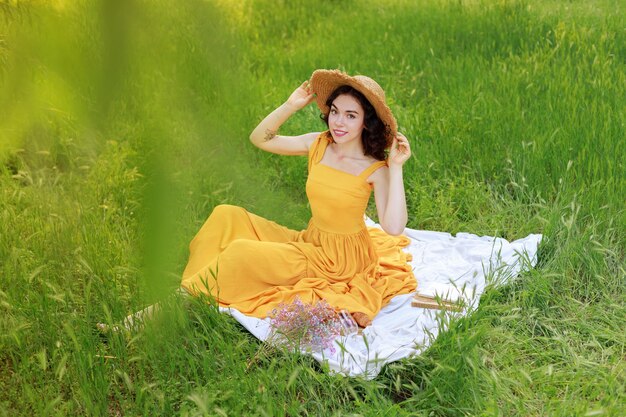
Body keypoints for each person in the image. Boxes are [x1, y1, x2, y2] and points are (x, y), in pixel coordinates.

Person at [180, 69, 416, 328]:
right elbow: (260, 138)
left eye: (351, 116)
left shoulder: (374, 169)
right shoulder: (318, 144)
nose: (338, 122)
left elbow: (394, 227)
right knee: (227, 215)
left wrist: (396, 167)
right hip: (311, 240)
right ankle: (197, 281)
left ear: (366, 122)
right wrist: (290, 106)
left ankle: (185, 296)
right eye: (335, 111)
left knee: (241, 252)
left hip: (339, 262)